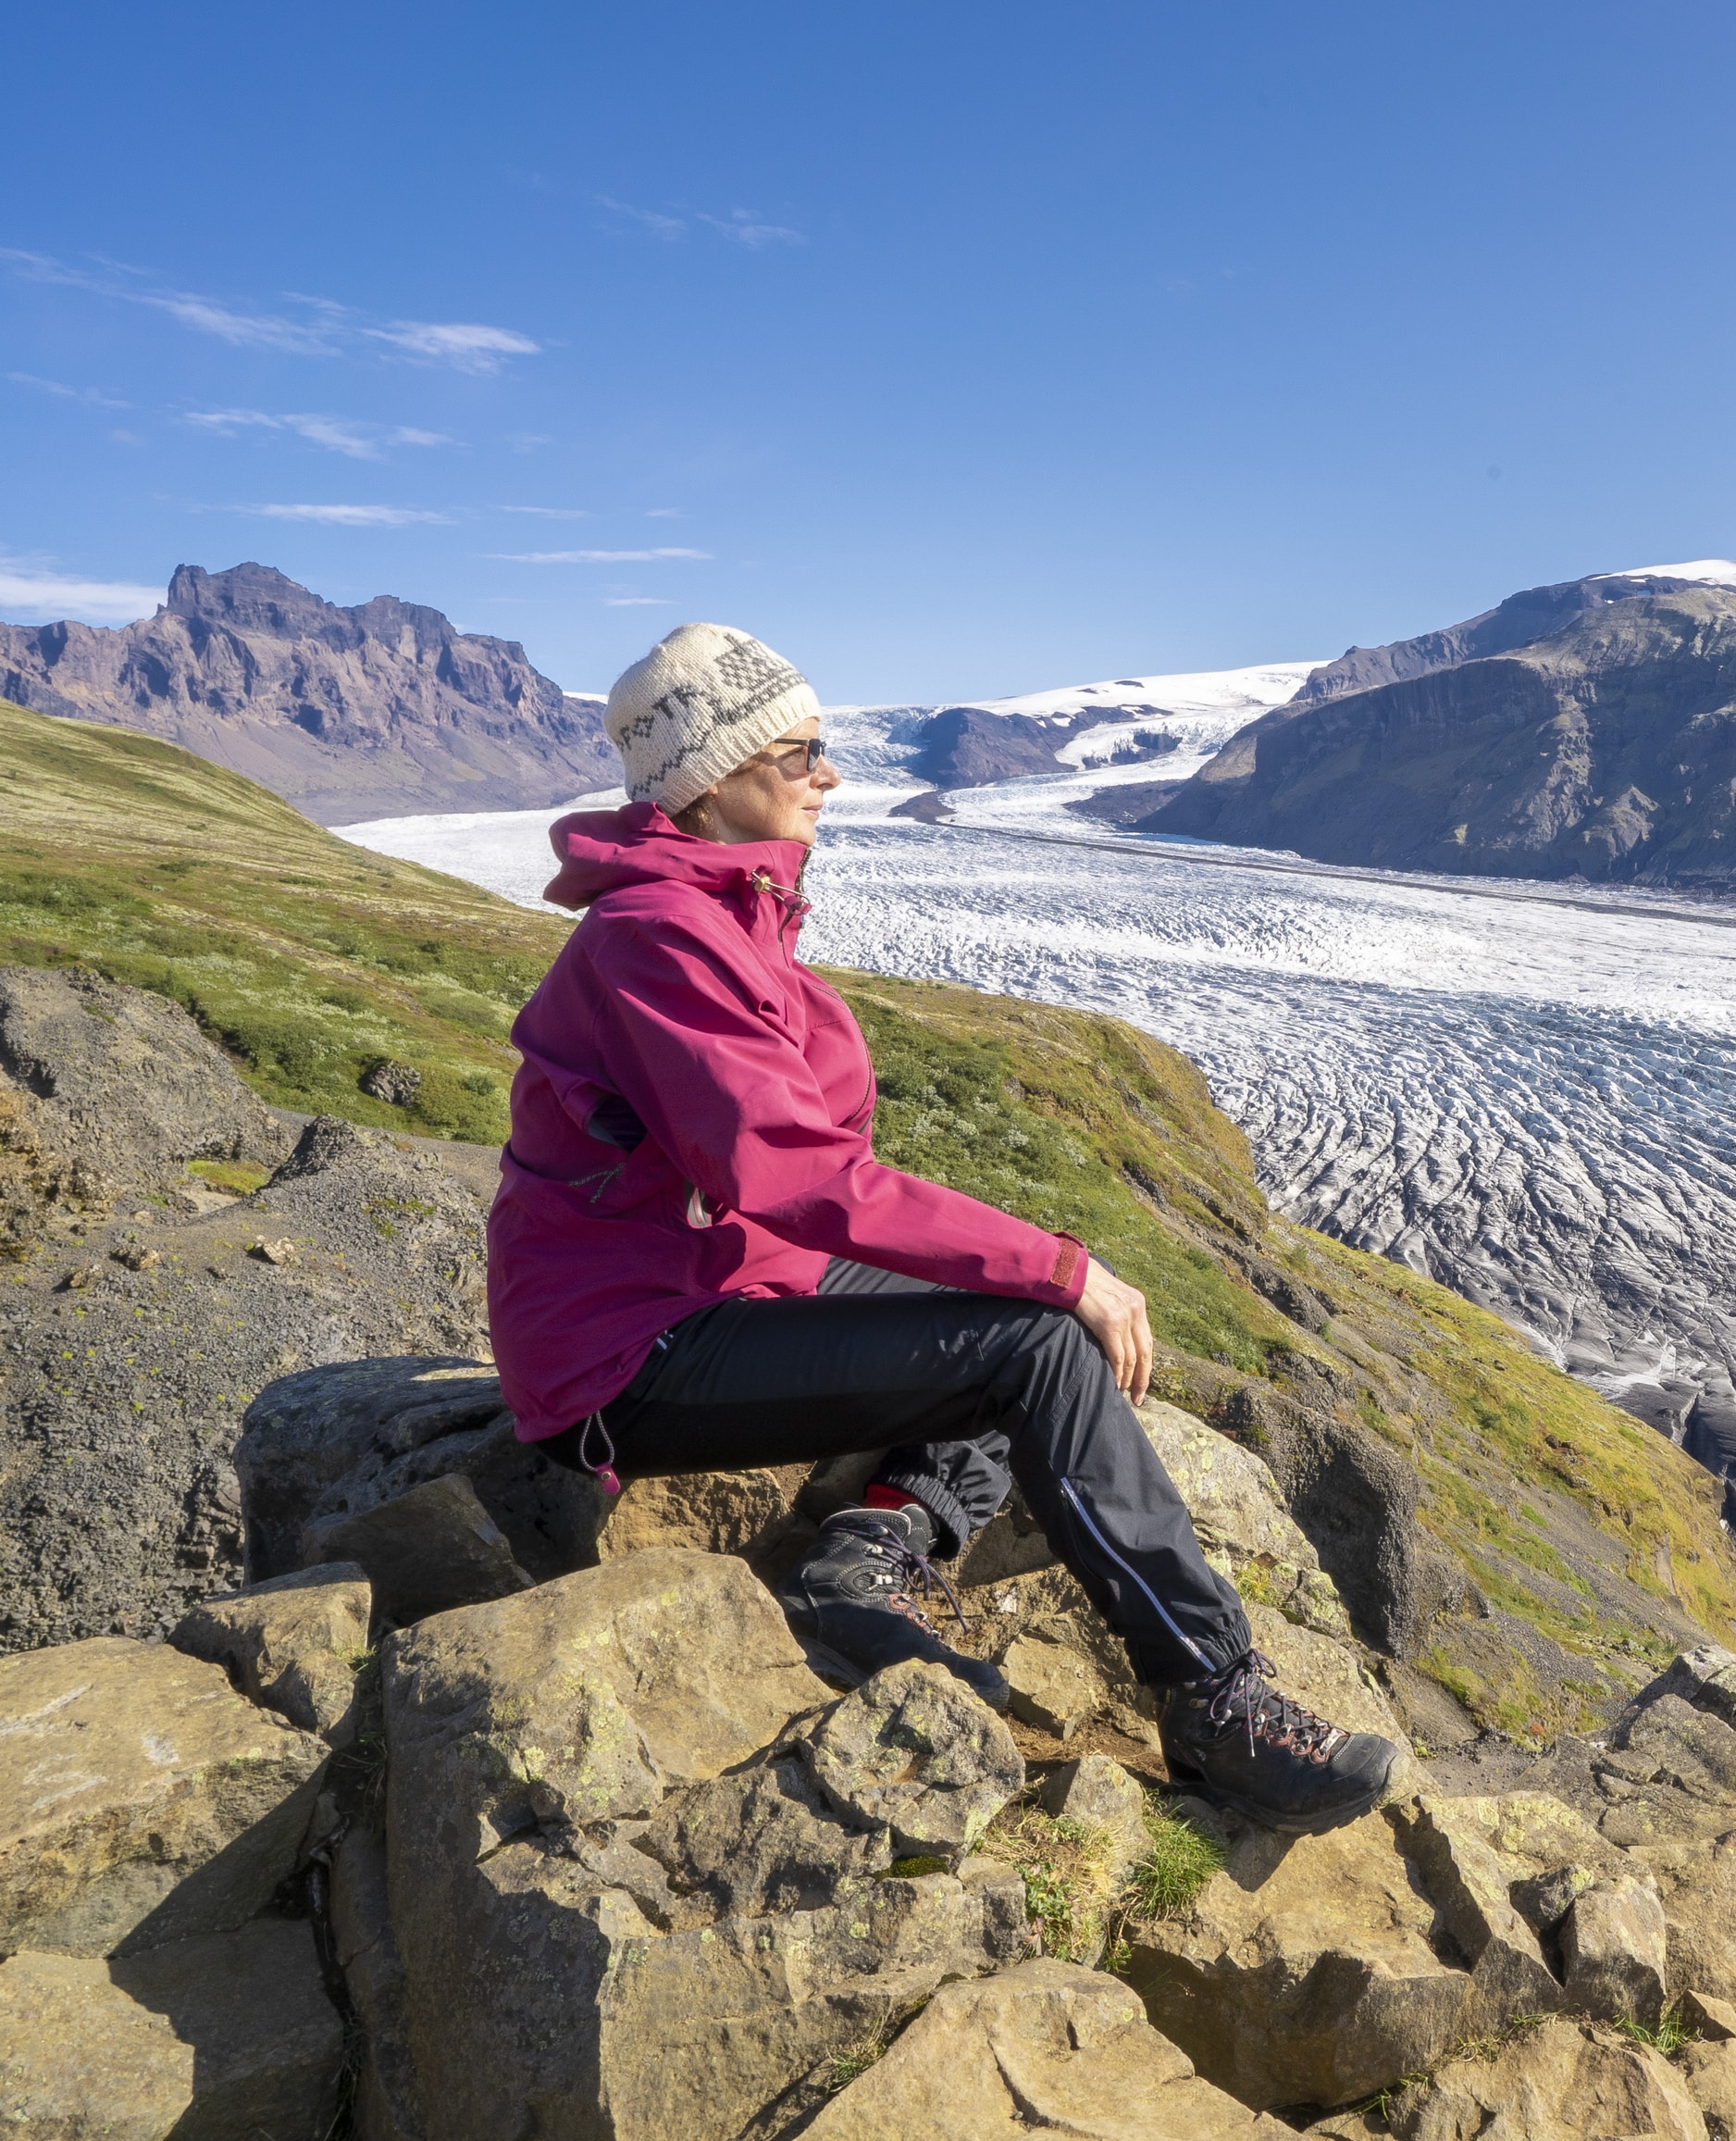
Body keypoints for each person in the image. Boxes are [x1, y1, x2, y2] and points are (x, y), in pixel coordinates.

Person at [483, 621, 1397, 1836]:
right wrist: (1068, 1268)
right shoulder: (658, 939)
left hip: (726, 1286)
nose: (831, 777)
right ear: (715, 776)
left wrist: (1041, 1273)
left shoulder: (729, 915)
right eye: (802, 753)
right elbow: (796, 1174)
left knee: (1020, 1314)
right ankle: (1213, 1699)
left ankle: (873, 1547)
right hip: (626, 1358)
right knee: (1035, 1336)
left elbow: (803, 1178)